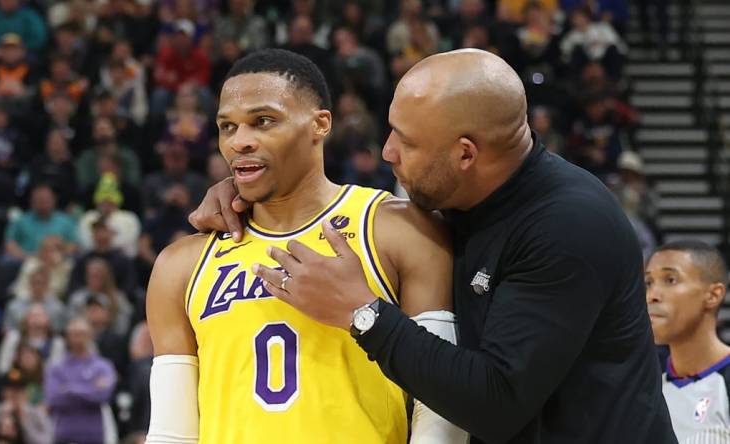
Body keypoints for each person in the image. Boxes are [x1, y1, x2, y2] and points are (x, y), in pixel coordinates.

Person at [190, 49, 676, 443]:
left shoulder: (567, 226)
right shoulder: (463, 192)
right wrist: (249, 189)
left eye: (406, 141)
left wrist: (363, 313)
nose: (387, 152)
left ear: (465, 154)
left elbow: (496, 405)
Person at [146, 49, 466, 444]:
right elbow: (171, 432)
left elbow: (440, 405)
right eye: (227, 127)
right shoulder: (181, 264)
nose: (240, 142)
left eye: (263, 121)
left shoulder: (397, 228)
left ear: (320, 124)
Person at [646, 241, 730, 442]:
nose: (652, 296)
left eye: (670, 280)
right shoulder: (644, 380)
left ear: (713, 295)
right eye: (648, 282)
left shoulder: (724, 381)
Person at [44, 317, 118, 444]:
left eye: (82, 333)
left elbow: (102, 395)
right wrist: (90, 388)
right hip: (64, 435)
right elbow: (53, 399)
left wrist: (69, 389)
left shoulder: (103, 366)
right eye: (74, 334)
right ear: (67, 337)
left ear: (91, 336)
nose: (78, 338)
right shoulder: (56, 367)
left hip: (94, 436)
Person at [0, 368, 53, 444]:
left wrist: (25, 423)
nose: (14, 394)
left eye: (18, 390)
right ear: (4, 392)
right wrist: (0, 420)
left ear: (25, 393)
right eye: (10, 389)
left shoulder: (36, 413)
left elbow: (47, 441)